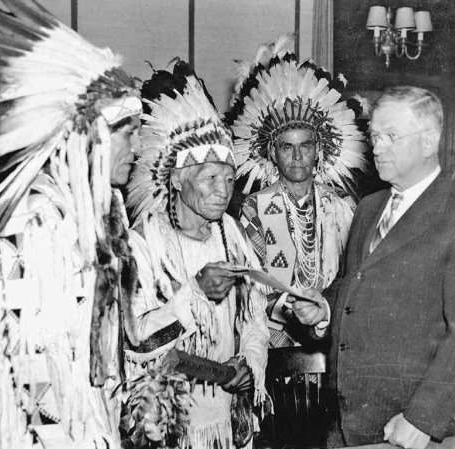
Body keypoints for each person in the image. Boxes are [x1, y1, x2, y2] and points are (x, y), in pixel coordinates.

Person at [0, 1, 143, 448]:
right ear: (93, 136)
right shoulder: (35, 222)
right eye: (128, 132)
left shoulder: (96, 217)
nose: (136, 147)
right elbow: (32, 373)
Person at [291, 86, 455, 448]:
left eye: (391, 136)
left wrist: (421, 420)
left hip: (408, 426)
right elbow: (353, 284)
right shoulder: (369, 208)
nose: (377, 146)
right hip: (345, 419)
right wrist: (324, 308)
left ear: (428, 141)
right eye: (374, 136)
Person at [122, 60, 269, 449]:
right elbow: (137, 342)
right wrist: (196, 292)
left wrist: (249, 363)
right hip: (170, 421)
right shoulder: (145, 242)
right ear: (176, 179)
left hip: (228, 417)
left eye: (228, 179)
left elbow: (255, 315)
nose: (223, 191)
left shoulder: (231, 233)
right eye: (210, 179)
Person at [227, 36, 367, 347]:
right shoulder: (257, 207)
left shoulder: (342, 206)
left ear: (319, 150)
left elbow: (352, 278)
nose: (297, 156)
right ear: (272, 153)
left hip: (332, 335)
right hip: (277, 341)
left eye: (305, 146)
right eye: (286, 147)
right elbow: (258, 287)